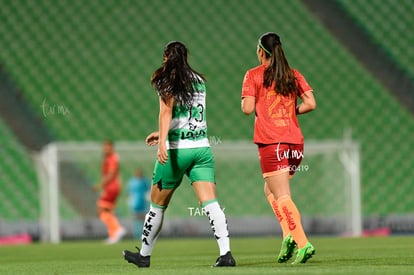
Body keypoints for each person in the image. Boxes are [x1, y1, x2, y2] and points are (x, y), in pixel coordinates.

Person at [122, 41, 236, 268]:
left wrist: (163, 141)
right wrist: (163, 134)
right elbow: (188, 116)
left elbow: (166, 111)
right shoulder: (199, 81)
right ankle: (226, 254)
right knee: (211, 203)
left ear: (166, 56)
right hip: (201, 149)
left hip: (176, 151)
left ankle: (144, 256)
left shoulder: (166, 79)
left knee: (156, 205)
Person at [241, 32, 317, 264]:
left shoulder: (254, 75)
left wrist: (250, 100)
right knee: (271, 191)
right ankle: (288, 234)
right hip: (295, 142)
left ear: (261, 52)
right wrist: (290, 111)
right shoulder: (292, 74)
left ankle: (303, 243)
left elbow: (247, 108)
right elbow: (311, 104)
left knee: (282, 196)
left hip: (271, 142)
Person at [94, 140, 126, 244]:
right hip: (112, 187)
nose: (105, 149)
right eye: (104, 147)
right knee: (108, 211)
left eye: (107, 147)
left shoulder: (112, 158)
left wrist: (100, 185)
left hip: (112, 187)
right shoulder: (110, 158)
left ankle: (117, 229)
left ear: (112, 147)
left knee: (100, 209)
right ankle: (113, 235)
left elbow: (111, 174)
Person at [127, 168, 150, 239]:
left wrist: (148, 198)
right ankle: (137, 235)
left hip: (143, 204)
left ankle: (144, 235)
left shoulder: (145, 181)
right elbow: (129, 192)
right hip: (135, 204)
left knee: (144, 220)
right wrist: (129, 200)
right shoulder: (132, 182)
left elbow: (148, 191)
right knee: (136, 221)